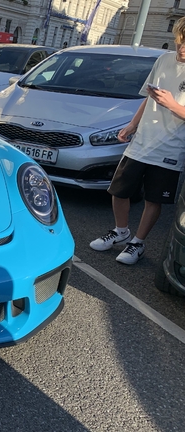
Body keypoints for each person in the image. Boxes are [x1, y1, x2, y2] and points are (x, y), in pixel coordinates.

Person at [89, 17, 185, 265]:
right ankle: (121, 231)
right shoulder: (164, 60)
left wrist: (173, 105)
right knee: (119, 190)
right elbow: (149, 96)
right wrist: (132, 124)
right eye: (180, 41)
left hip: (172, 146)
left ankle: (138, 243)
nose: (182, 48)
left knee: (154, 199)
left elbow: (169, 103)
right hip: (142, 140)